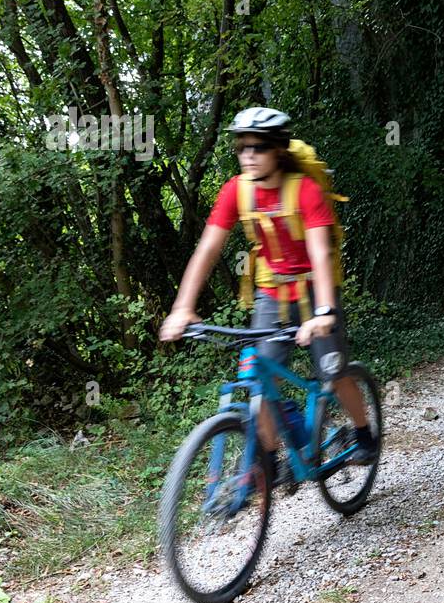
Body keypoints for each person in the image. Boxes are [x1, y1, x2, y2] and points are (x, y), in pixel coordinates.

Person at [158, 107, 376, 481]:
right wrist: (182, 308)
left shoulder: (305, 191)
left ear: (277, 150)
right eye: (241, 148)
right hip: (272, 292)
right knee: (260, 377)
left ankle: (363, 434)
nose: (248, 155)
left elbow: (321, 253)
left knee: (332, 369)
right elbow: (207, 249)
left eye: (257, 147)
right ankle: (271, 465)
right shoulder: (236, 191)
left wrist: (323, 312)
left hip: (313, 289)